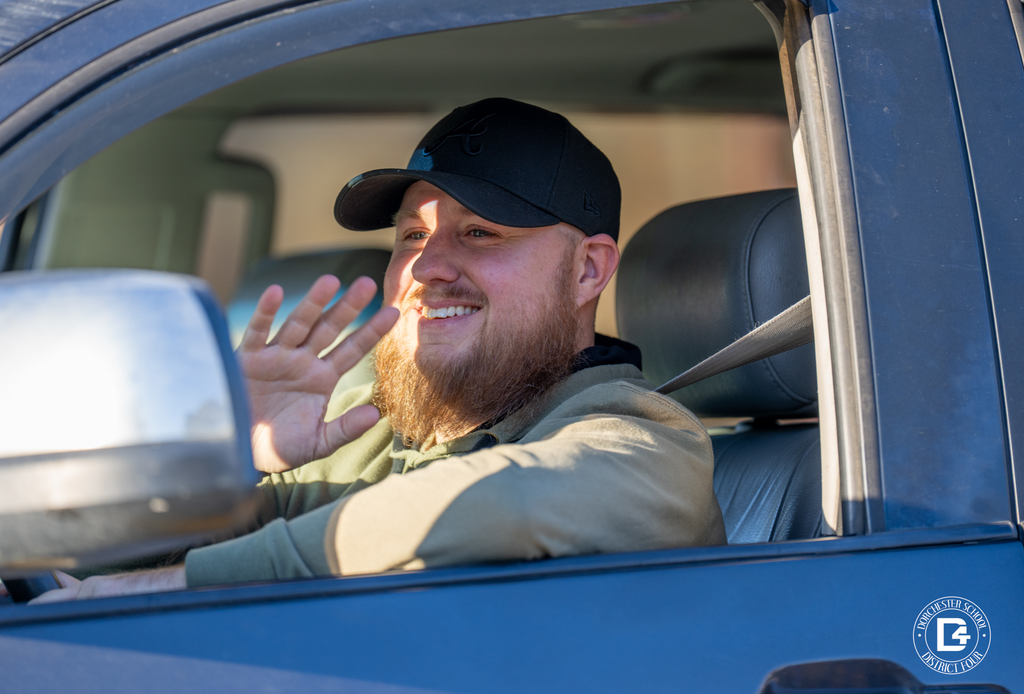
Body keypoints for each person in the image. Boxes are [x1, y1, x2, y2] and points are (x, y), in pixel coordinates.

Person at [33, 98, 725, 603]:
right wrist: (228, 459)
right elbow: (89, 571)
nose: (427, 269)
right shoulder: (368, 429)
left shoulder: (646, 444)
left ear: (587, 271)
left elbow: (503, 503)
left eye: (480, 233)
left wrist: (174, 584)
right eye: (411, 237)